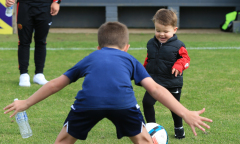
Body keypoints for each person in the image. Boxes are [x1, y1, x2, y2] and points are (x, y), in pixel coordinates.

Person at [4, 22, 212, 144]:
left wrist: (26, 103)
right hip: (123, 104)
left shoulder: (91, 57)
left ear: (98, 46)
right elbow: (156, 89)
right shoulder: (130, 59)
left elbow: (55, 84)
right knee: (142, 140)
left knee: (63, 141)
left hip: (88, 103)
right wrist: (185, 113)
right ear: (127, 47)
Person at [142, 8, 190, 139]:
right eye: (158, 31)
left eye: (166, 31)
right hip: (155, 82)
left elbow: (186, 59)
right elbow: (149, 59)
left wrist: (179, 65)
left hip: (172, 82)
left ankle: (179, 128)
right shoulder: (151, 43)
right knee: (147, 102)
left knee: (175, 108)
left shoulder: (179, 45)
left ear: (174, 30)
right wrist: (142, 71)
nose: (161, 34)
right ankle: (151, 128)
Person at [5, 0, 63, 87]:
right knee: (24, 41)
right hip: (25, 2)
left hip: (45, 3)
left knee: (41, 41)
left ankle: (39, 74)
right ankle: (23, 74)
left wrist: (57, 0)